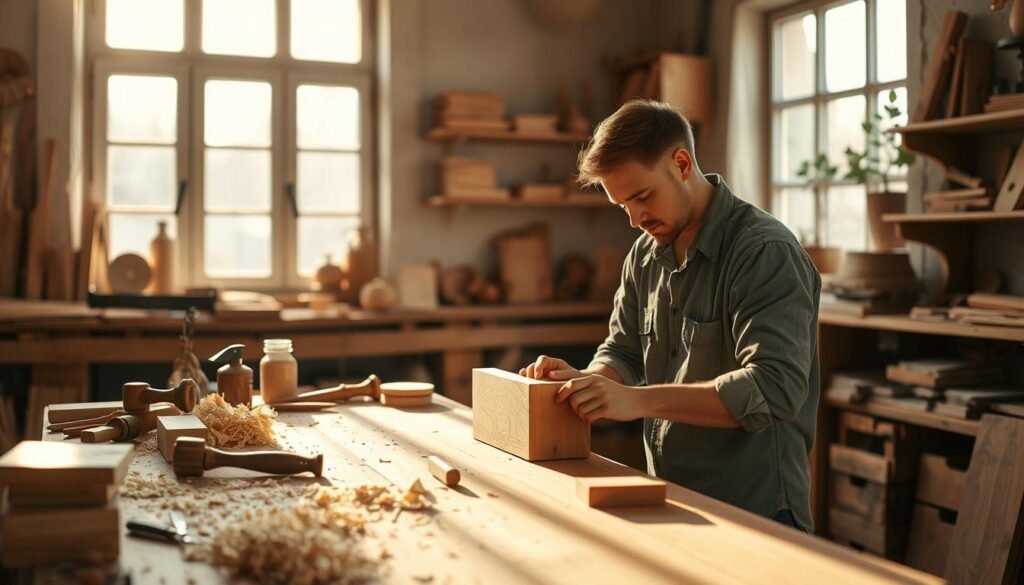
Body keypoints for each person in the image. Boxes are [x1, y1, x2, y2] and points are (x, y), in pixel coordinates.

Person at [520, 100, 821, 531]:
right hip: (669, 495)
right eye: (622, 205)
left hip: (756, 508)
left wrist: (636, 401)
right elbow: (623, 350)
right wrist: (589, 382)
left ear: (681, 163)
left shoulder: (763, 252)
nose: (635, 219)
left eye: (642, 196)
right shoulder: (644, 254)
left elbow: (774, 389)